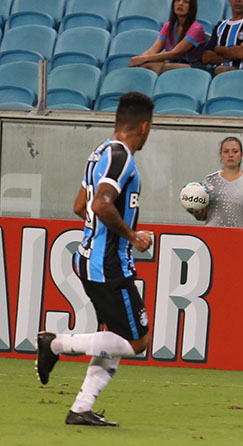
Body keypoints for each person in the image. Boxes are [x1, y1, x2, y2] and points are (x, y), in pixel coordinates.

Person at [36, 92, 155, 427]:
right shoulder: (123, 158)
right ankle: (55, 343)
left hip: (91, 256)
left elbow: (81, 206)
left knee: (114, 337)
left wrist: (109, 229)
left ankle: (81, 408)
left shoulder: (99, 153)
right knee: (137, 341)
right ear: (144, 126)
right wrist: (132, 236)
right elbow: (101, 204)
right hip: (108, 264)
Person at [186, 137, 243, 228]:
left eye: (235, 151)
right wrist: (196, 212)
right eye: (226, 151)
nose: (230, 155)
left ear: (241, 155)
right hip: (211, 237)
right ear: (221, 155)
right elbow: (203, 217)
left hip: (238, 239)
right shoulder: (210, 181)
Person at [129, 0, 207, 74]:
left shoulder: (196, 28)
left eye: (186, 2)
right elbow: (153, 50)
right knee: (140, 65)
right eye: (177, 1)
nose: (180, 4)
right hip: (173, 64)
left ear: (192, 7)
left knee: (150, 66)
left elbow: (174, 53)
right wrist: (139, 58)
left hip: (194, 67)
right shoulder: (168, 26)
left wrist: (144, 59)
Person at [202, 0, 243, 76]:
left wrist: (218, 49)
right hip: (216, 73)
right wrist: (236, 52)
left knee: (222, 70)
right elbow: (206, 57)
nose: (238, 1)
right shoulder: (220, 26)